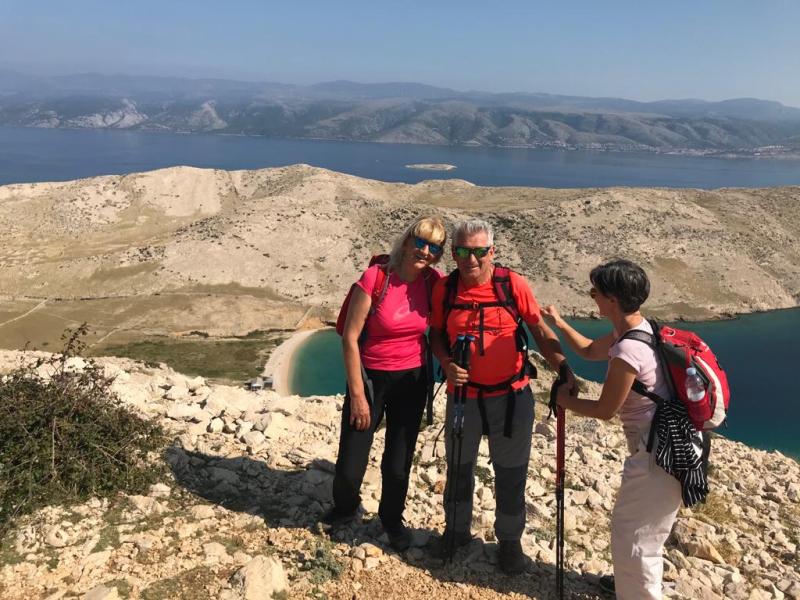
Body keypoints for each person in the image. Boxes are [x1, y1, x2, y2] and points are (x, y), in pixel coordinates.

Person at [428, 218, 572, 575]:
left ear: (492, 252)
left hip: (511, 397)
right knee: (459, 468)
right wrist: (446, 363)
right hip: (463, 397)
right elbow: (436, 334)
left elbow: (539, 328)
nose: (471, 259)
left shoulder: (512, 285)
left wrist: (563, 368)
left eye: (479, 251)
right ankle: (456, 531)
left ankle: (509, 541)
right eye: (462, 251)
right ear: (453, 254)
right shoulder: (445, 289)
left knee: (511, 473)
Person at [543, 259, 682, 600]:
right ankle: (633, 588)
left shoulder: (628, 349)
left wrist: (564, 400)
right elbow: (589, 350)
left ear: (613, 300)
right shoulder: (639, 329)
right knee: (642, 533)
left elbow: (605, 410)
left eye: (595, 293)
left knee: (634, 535)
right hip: (664, 446)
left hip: (655, 453)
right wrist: (559, 323)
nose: (592, 298)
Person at [320, 216, 446, 552]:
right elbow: (350, 337)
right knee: (351, 460)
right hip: (371, 378)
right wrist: (358, 395)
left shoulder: (433, 283)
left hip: (413, 379)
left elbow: (442, 327)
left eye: (435, 247)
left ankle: (391, 519)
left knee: (399, 459)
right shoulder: (376, 277)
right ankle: (345, 507)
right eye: (421, 242)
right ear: (406, 241)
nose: (426, 251)